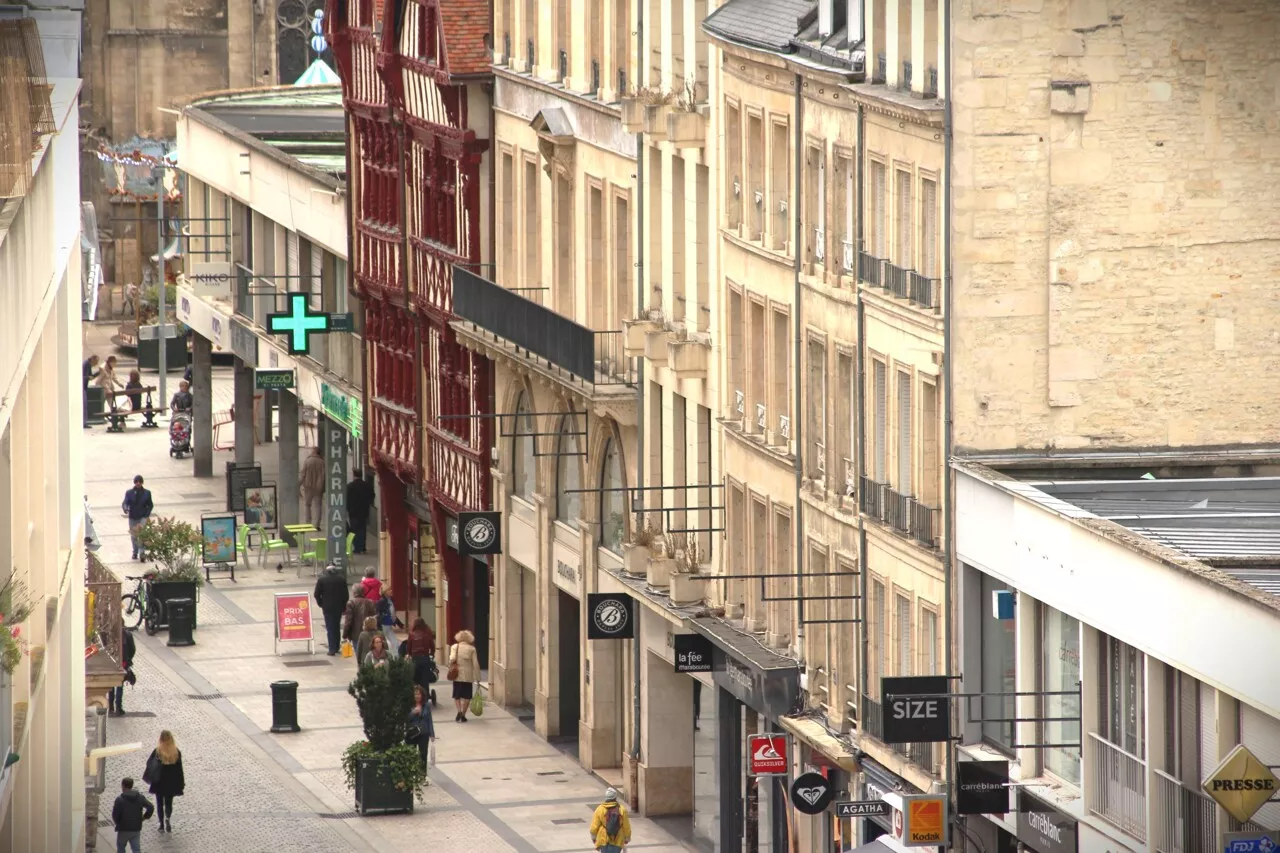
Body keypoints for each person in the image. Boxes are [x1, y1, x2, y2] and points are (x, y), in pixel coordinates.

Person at [145, 730, 185, 832]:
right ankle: (167, 817)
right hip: (171, 781)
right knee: (169, 802)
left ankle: (161, 824)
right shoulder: (176, 752)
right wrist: (181, 782)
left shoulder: (158, 752)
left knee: (159, 803)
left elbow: (149, 764)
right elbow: (179, 770)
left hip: (159, 781)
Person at [313, 564, 350, 655]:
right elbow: (346, 595)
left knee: (330, 627)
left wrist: (321, 603)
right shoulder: (341, 579)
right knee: (336, 626)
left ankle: (332, 648)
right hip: (338, 607)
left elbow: (316, 594)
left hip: (327, 607)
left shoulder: (322, 579)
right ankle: (336, 646)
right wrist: (343, 605)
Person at [111, 777, 154, 852]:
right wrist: (143, 818)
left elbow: (115, 815)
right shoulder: (140, 797)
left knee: (121, 848)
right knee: (136, 849)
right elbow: (150, 807)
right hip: (136, 828)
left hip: (123, 828)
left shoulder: (120, 800)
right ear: (132, 785)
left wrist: (118, 823)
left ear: (123, 786)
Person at [448, 629, 479, 722]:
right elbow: (475, 664)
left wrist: (450, 662)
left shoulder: (454, 647)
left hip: (457, 675)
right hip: (468, 676)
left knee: (457, 695)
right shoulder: (472, 649)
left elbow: (452, 658)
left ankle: (459, 711)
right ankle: (464, 714)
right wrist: (478, 678)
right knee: (467, 696)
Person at [590, 788, 632, 852]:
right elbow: (626, 826)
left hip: (603, 838)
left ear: (606, 798)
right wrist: (627, 838)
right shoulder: (622, 809)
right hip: (617, 839)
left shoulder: (600, 809)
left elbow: (594, 826)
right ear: (615, 798)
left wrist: (593, 837)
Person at [122, 476, 154, 561]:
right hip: (132, 517)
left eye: (140, 481)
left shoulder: (147, 493)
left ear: (142, 482)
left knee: (141, 534)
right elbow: (125, 502)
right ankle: (135, 552)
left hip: (142, 517)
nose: (138, 483)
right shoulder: (129, 492)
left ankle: (142, 553)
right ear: (134, 482)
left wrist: (147, 514)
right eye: (136, 482)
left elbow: (150, 505)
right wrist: (125, 509)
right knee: (134, 536)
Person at [109, 626, 137, 716]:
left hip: (112, 662)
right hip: (123, 663)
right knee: (120, 685)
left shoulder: (110, 634)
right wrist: (128, 659)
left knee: (111, 685)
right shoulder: (127, 634)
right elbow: (133, 649)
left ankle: (110, 707)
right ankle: (118, 708)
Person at [407, 684, 436, 769]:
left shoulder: (426, 705)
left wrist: (432, 734)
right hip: (412, 732)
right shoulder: (409, 706)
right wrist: (413, 713)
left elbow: (429, 720)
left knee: (423, 754)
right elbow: (406, 719)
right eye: (415, 694)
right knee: (411, 754)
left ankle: (422, 775)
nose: (417, 696)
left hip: (424, 733)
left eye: (419, 694)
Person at [346, 469, 374, 554]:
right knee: (362, 528)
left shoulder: (350, 486)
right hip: (364, 511)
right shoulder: (367, 485)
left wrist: (348, 508)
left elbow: (347, 498)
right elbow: (372, 496)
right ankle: (363, 546)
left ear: (354, 475)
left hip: (353, 511)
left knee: (354, 529)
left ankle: (357, 547)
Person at [342, 584, 376, 649]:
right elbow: (374, 618)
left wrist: (345, 635)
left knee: (359, 654)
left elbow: (348, 621)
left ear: (354, 593)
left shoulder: (351, 603)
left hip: (356, 634)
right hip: (369, 633)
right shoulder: (370, 602)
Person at [406, 617, 437, 690]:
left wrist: (410, 654)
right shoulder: (427, 633)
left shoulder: (411, 634)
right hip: (425, 658)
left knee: (415, 677)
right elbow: (432, 645)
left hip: (415, 658)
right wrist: (432, 654)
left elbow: (409, 647)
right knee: (425, 678)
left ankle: (417, 693)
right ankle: (425, 695)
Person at [300, 447, 325, 528]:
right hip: (319, 488)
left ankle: (308, 523)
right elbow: (324, 476)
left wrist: (299, 485)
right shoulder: (322, 462)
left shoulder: (307, 461)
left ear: (314, 452)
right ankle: (317, 525)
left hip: (308, 487)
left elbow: (303, 474)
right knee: (318, 506)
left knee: (307, 505)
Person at [375, 587, 403, 658]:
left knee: (395, 643)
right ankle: (384, 658)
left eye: (391, 589)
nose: (391, 591)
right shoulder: (381, 602)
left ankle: (396, 659)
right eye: (389, 590)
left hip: (389, 626)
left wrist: (400, 625)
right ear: (384, 592)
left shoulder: (390, 600)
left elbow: (393, 614)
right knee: (384, 644)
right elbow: (378, 614)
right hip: (383, 625)